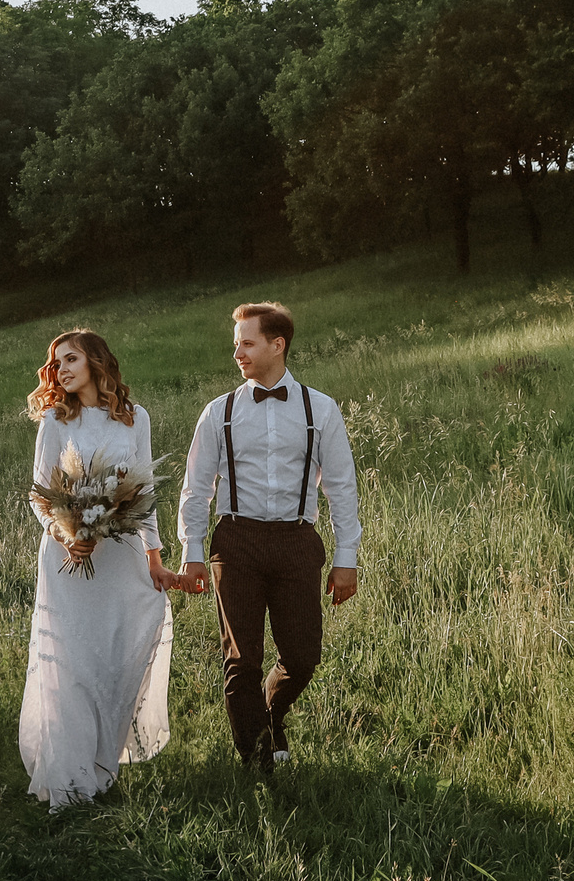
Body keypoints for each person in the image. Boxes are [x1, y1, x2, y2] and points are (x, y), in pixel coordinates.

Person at [173, 302, 360, 770]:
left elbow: (341, 487)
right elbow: (197, 487)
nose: (237, 353)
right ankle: (260, 765)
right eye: (235, 344)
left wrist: (347, 557)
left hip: (298, 541)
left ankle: (271, 713)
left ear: (278, 345)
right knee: (241, 662)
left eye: (247, 343)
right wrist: (191, 551)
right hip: (236, 542)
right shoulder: (220, 412)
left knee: (302, 656)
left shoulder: (322, 409)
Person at [18, 329, 179, 809]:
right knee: (74, 662)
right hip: (68, 561)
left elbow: (144, 495)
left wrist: (156, 559)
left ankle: (104, 763)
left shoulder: (134, 418)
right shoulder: (55, 420)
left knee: (118, 656)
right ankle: (70, 779)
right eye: (56, 362)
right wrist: (68, 533)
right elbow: (39, 494)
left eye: (71, 359)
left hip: (121, 557)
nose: (61, 369)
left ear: (95, 361)